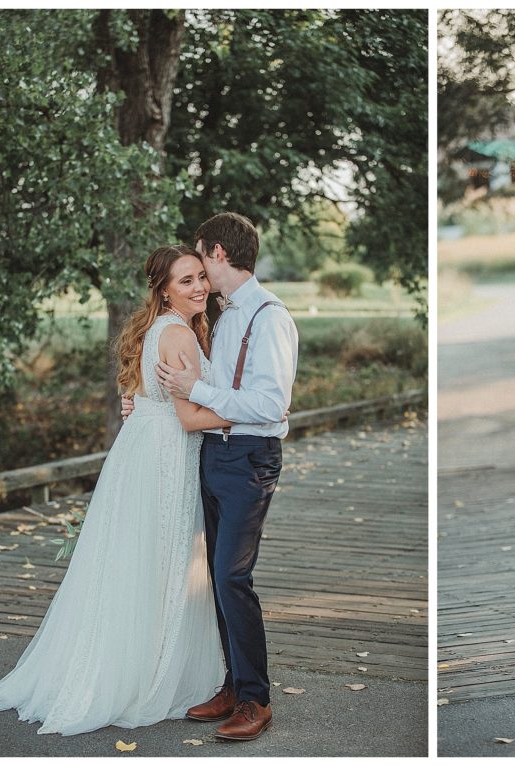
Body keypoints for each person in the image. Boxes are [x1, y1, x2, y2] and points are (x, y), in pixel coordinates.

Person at [0, 245, 230, 735]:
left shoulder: (158, 327)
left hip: (139, 450)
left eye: (201, 276)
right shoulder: (178, 334)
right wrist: (256, 412)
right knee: (163, 560)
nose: (199, 286)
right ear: (163, 290)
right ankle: (146, 672)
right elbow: (190, 417)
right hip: (165, 455)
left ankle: (122, 658)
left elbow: (142, 395)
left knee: (133, 561)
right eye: (186, 281)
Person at [151, 212, 298, 741]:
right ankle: (234, 685)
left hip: (250, 457)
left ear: (216, 252)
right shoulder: (225, 313)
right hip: (213, 452)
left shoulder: (270, 316)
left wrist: (197, 388)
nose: (197, 271)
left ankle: (256, 699)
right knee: (215, 573)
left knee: (234, 575)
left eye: (199, 257)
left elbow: (270, 403)